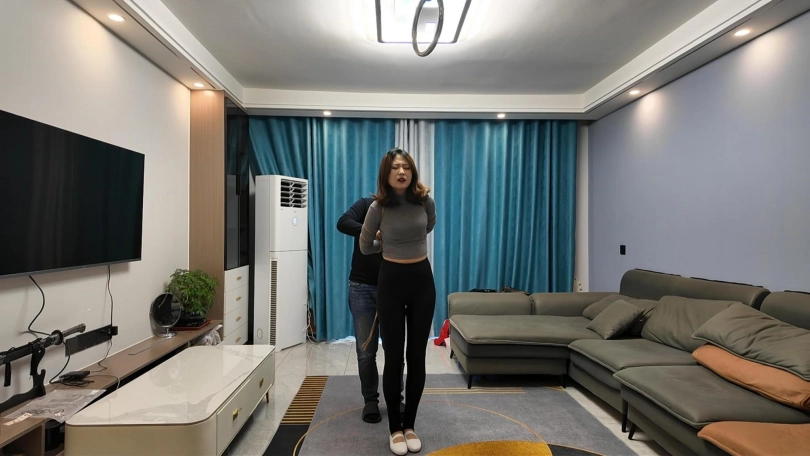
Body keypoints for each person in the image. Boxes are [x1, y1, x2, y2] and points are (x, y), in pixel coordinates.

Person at [359, 147, 436, 455]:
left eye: (406, 167)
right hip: (390, 283)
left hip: (422, 283)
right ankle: (394, 429)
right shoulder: (377, 207)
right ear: (386, 174)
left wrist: (405, 242)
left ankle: (410, 425)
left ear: (412, 171)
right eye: (395, 168)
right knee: (394, 358)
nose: (401, 172)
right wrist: (386, 244)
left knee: (417, 356)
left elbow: (428, 225)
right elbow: (365, 246)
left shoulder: (425, 201)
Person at [337, 197, 405, 424]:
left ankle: (396, 398)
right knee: (366, 352)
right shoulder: (366, 205)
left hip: (394, 287)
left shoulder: (404, 209)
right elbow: (343, 222)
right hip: (361, 287)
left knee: (395, 350)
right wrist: (372, 231)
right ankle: (370, 401)